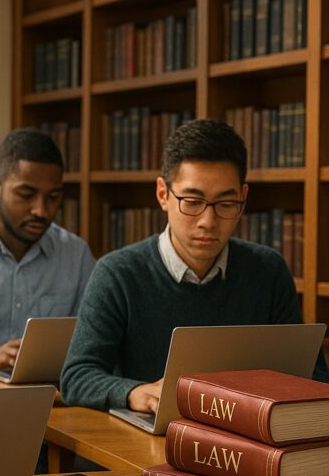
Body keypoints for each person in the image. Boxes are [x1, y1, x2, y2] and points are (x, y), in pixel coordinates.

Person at [61, 118, 328, 412]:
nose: (208, 222)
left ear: (243, 197)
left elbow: (313, 377)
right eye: (192, 201)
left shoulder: (268, 270)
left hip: (243, 438)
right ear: (163, 194)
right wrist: (134, 392)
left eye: (226, 204)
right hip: (146, 441)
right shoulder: (118, 273)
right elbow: (77, 377)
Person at [0, 128, 94, 369]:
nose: (41, 210)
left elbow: (90, 340)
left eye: (53, 197)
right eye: (26, 194)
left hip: (53, 398)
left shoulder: (76, 255)